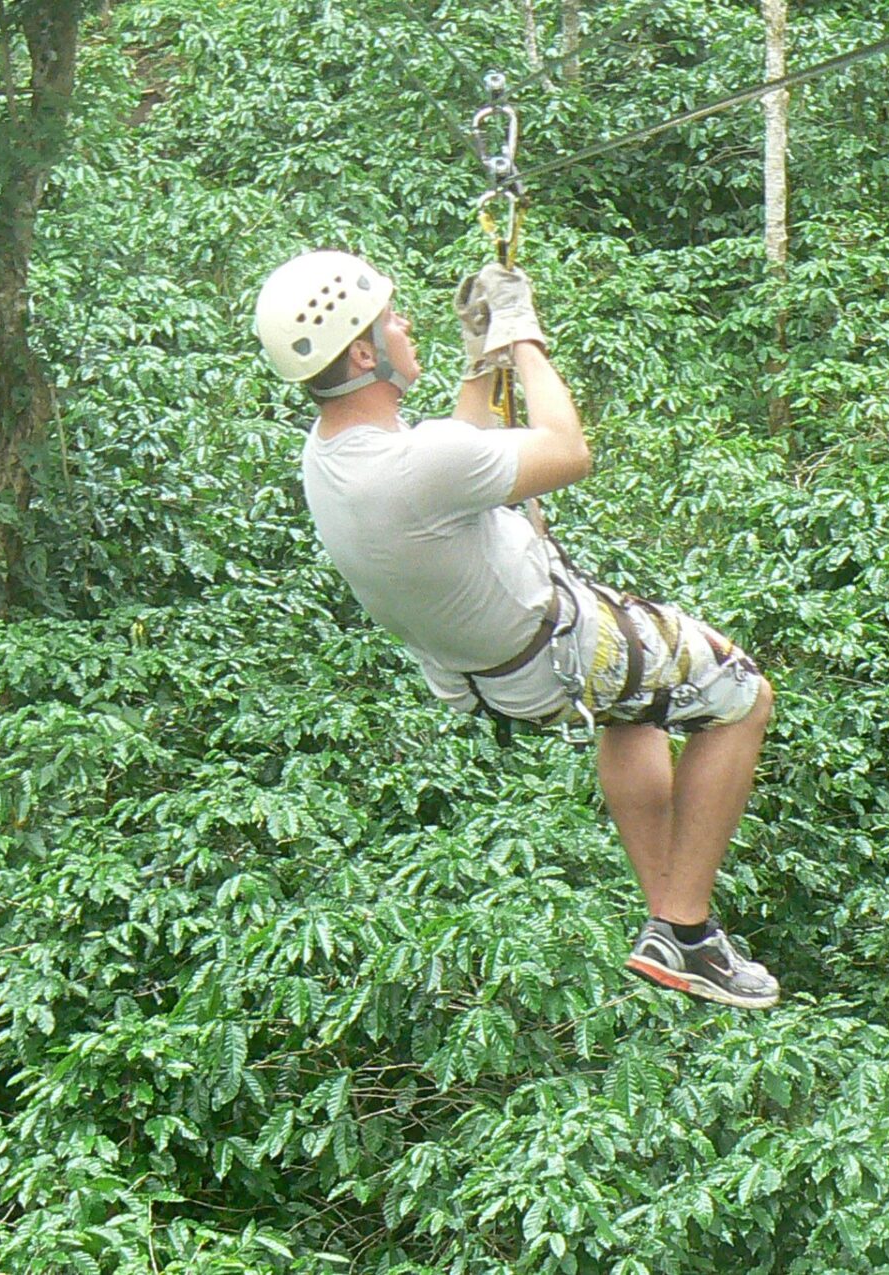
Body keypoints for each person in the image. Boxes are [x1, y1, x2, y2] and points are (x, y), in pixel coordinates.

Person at [254, 250, 780, 1010]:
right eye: (391, 319)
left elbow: (459, 459)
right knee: (743, 696)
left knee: (637, 714)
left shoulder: (329, 455)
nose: (407, 323)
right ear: (364, 355)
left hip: (496, 678)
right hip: (561, 648)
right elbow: (568, 451)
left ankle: (666, 919)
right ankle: (688, 931)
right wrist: (524, 337)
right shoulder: (417, 465)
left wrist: (481, 357)